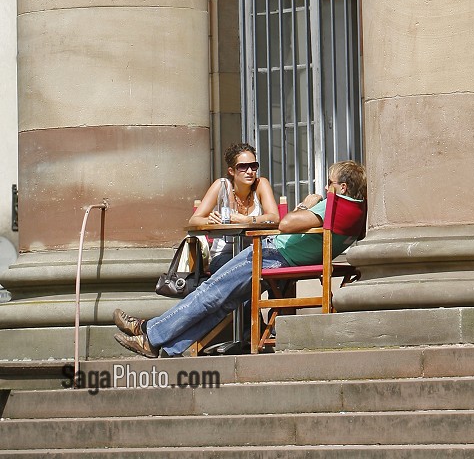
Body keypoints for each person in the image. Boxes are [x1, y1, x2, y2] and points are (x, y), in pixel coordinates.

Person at [114, 160, 366, 358]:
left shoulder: (333, 204)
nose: (325, 187)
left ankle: (150, 331)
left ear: (342, 187)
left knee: (211, 291)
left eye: (329, 182)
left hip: (271, 254)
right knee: (224, 302)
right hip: (291, 261)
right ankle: (168, 346)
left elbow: (286, 223)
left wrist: (307, 204)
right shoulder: (357, 211)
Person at [189, 142, 279, 272]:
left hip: (254, 251)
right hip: (225, 255)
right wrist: (210, 220)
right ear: (231, 171)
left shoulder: (261, 184)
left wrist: (247, 220)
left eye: (253, 166)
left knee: (278, 263)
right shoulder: (221, 186)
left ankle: (276, 293)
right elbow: (194, 220)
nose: (250, 172)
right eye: (243, 167)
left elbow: (274, 217)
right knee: (244, 267)